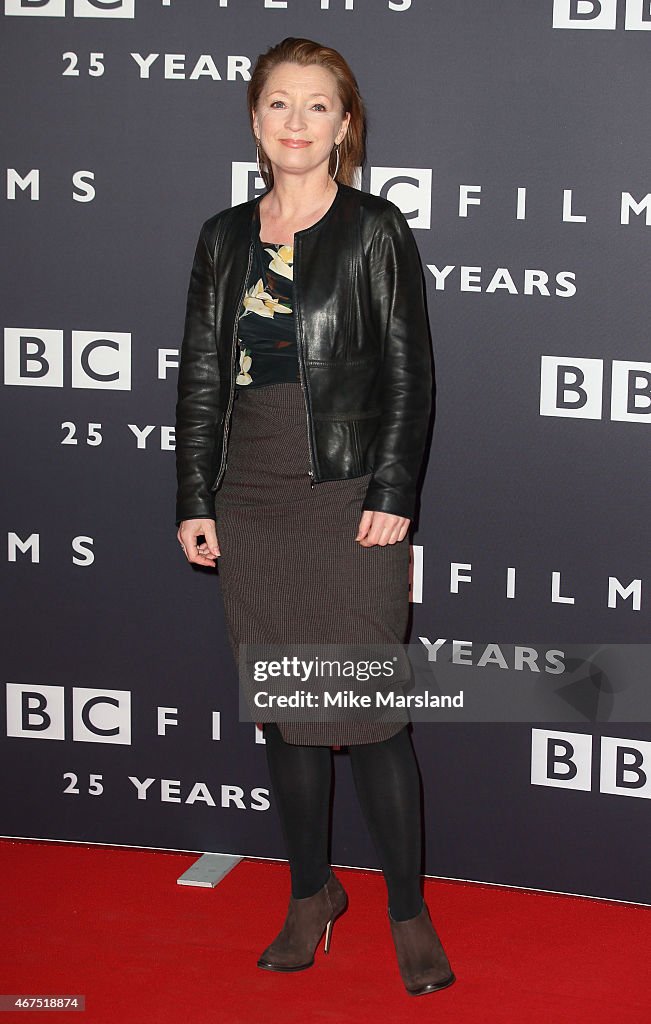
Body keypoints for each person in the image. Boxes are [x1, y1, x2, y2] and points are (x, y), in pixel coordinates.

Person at [174, 37, 455, 997]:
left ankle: (406, 911)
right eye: (279, 105)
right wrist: (195, 498)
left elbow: (412, 376)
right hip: (249, 493)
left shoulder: (374, 228)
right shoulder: (222, 235)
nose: (296, 122)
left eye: (317, 107)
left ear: (345, 126)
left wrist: (391, 490)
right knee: (286, 714)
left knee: (371, 715)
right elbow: (203, 378)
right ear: (255, 120)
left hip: (344, 490)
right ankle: (309, 895)